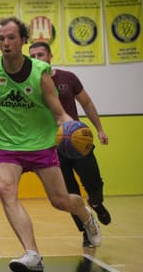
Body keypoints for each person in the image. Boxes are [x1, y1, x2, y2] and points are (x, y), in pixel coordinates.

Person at [0, 16, 102, 272]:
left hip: (41, 145)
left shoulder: (40, 74)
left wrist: (70, 126)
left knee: (60, 201)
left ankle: (86, 216)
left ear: (23, 40)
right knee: (5, 189)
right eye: (1, 38)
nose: (5, 43)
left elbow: (59, 112)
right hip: (6, 146)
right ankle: (32, 254)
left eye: (11, 38)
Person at [28, 42, 111, 248]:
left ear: (50, 55)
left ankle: (97, 202)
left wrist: (99, 129)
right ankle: (86, 232)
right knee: (68, 193)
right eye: (33, 56)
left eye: (41, 54)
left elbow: (87, 103)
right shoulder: (29, 84)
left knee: (93, 182)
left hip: (77, 139)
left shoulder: (68, 78)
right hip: (51, 146)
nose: (37, 58)